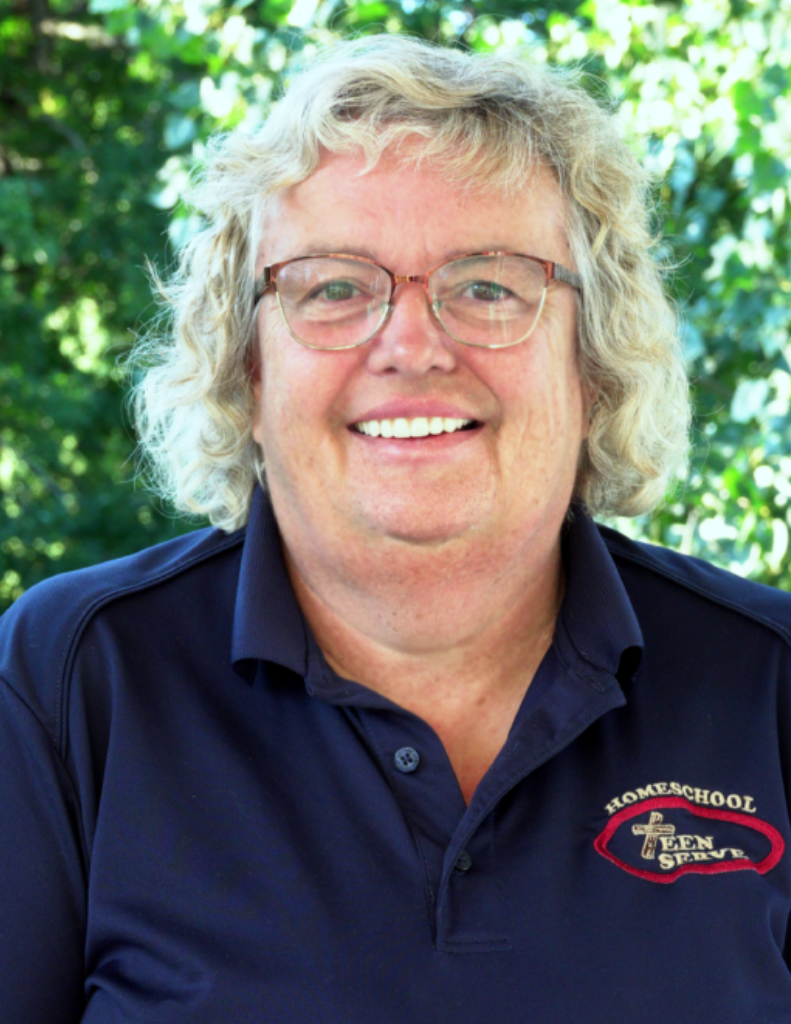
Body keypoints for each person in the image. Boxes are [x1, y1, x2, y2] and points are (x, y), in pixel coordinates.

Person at [1, 34, 790, 1024]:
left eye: (488, 285)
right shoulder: (72, 682)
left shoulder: (769, 684)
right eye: (333, 287)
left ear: (591, 363)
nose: (411, 345)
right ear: (247, 367)